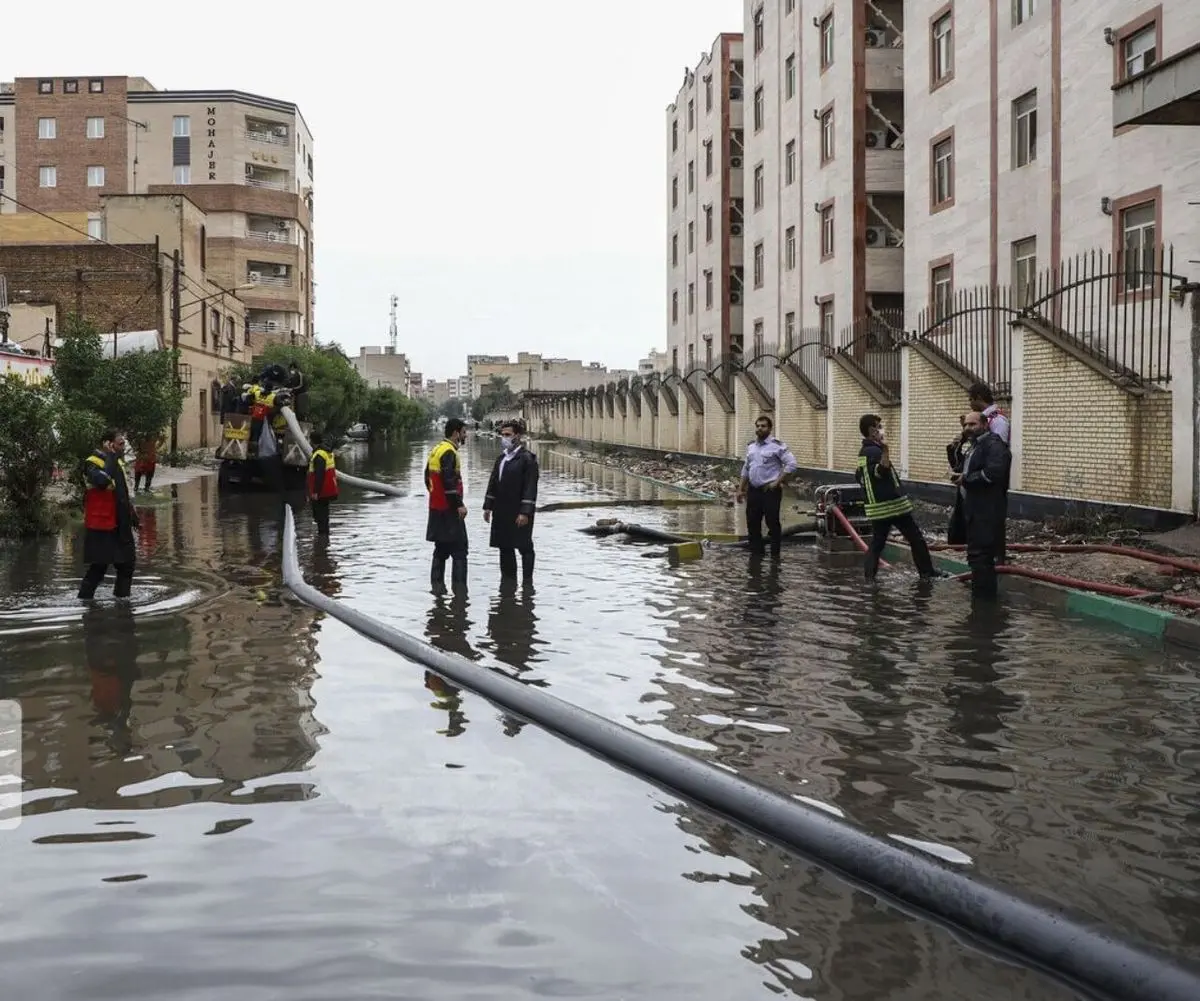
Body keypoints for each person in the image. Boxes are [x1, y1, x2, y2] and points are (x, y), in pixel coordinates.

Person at [855, 413, 939, 580]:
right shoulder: (874, 451)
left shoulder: (863, 452)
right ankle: (927, 573)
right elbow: (881, 472)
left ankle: (869, 579)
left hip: (878, 508)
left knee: (877, 544)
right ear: (872, 430)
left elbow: (860, 476)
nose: (882, 430)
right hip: (892, 506)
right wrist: (886, 450)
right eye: (879, 426)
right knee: (916, 539)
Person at [953, 411, 1012, 597]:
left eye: (973, 424)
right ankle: (979, 605)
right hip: (973, 509)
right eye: (966, 425)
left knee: (982, 558)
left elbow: (993, 473)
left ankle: (985, 608)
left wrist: (967, 478)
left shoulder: (994, 445)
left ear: (985, 425)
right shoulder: (975, 446)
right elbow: (962, 466)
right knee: (976, 557)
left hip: (986, 511)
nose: (968, 429)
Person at [78, 428, 140, 601]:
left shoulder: (117, 461)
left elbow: (122, 490)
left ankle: (122, 604)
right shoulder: (92, 463)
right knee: (98, 568)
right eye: (120, 442)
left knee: (127, 565)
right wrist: (110, 456)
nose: (123, 446)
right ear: (108, 443)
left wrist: (132, 513)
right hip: (103, 524)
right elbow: (102, 482)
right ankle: (84, 603)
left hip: (121, 523)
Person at [482, 419, 539, 581]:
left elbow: (530, 488)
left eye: (508, 435)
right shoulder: (502, 459)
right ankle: (508, 582)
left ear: (517, 436)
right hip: (501, 511)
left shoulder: (527, 459)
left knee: (524, 546)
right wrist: (488, 507)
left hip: (519, 511)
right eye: (503, 435)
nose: (504, 438)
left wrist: (525, 512)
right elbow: (493, 483)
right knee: (504, 546)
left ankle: (527, 583)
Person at [735, 415, 799, 558]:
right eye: (757, 426)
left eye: (763, 426)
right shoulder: (751, 447)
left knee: (772, 523)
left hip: (770, 491)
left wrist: (777, 482)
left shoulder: (777, 446)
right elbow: (746, 468)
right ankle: (757, 556)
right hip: (753, 491)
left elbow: (792, 464)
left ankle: (775, 557)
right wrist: (740, 490)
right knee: (752, 524)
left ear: (769, 428)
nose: (760, 428)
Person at [426, 417, 469, 593]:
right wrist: (459, 504)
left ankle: (437, 591)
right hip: (449, 510)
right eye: (464, 432)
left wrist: (436, 497)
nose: (465, 435)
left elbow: (426, 478)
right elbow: (449, 481)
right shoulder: (449, 452)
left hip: (436, 509)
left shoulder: (436, 450)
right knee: (460, 551)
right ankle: (460, 594)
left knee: (441, 550)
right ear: (455, 433)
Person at [945, 415, 973, 546]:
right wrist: (954, 448)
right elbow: (958, 465)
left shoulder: (982, 446)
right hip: (964, 489)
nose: (966, 429)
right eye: (964, 426)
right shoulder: (969, 447)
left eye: (970, 425)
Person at [307, 431, 339, 536]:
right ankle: (324, 540)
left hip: (321, 491)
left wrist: (315, 492)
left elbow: (319, 475)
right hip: (329, 489)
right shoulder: (327, 452)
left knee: (320, 515)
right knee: (324, 515)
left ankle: (322, 538)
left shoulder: (319, 455)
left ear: (312, 441)